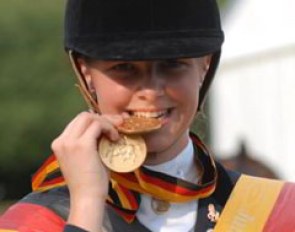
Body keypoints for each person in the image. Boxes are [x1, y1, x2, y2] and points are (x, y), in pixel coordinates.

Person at [1, 0, 295, 231]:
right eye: (124, 68)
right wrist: (87, 207)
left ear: (205, 65)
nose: (151, 91)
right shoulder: (32, 223)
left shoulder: (282, 211)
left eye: (172, 65)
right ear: (86, 72)